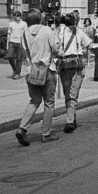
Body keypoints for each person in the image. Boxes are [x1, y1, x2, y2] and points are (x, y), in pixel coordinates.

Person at [15, 9, 62, 145]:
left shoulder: (24, 33)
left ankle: (22, 128)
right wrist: (57, 39)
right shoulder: (47, 30)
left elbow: (24, 53)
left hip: (31, 71)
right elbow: (55, 49)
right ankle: (46, 134)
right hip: (47, 69)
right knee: (49, 102)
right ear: (39, 18)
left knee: (34, 100)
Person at [57, 13, 92, 133]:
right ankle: (72, 116)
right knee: (68, 93)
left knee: (73, 93)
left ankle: (69, 121)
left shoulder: (80, 32)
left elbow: (89, 44)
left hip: (77, 65)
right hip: (65, 65)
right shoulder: (60, 32)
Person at [7, 11, 27, 79]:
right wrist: (7, 44)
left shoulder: (24, 24)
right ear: (14, 17)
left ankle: (18, 73)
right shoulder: (11, 24)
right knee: (10, 56)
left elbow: (25, 34)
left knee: (19, 59)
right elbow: (9, 34)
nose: (17, 17)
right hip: (12, 42)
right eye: (16, 16)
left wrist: (24, 44)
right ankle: (15, 69)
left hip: (20, 43)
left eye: (19, 16)